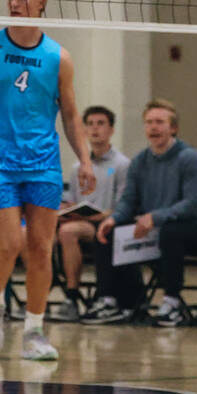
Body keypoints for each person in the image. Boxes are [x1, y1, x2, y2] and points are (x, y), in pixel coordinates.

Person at [0, 0, 95, 361]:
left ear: (42, 2)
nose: (16, 4)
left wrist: (84, 159)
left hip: (43, 163)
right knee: (9, 243)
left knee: (40, 248)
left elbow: (70, 114)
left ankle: (34, 330)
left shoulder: (58, 57)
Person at [92, 99, 197, 327]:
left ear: (173, 128)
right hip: (153, 228)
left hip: (194, 228)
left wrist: (156, 217)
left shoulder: (189, 158)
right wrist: (114, 218)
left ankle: (171, 302)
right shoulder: (140, 161)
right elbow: (129, 201)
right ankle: (108, 300)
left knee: (171, 232)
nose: (153, 127)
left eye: (160, 122)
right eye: (149, 122)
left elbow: (194, 203)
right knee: (108, 232)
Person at [55, 106, 130, 321]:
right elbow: (74, 201)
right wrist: (66, 209)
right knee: (49, 227)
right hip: (83, 219)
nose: (95, 129)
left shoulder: (122, 165)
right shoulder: (78, 165)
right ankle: (44, 291)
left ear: (111, 130)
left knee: (68, 231)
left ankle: (71, 295)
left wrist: (87, 216)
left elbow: (122, 206)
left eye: (101, 124)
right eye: (90, 124)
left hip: (108, 223)